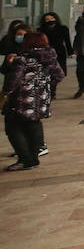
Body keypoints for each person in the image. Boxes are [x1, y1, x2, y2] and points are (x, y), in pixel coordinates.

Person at [4, 32, 64, 171]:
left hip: (22, 98)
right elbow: (59, 75)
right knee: (34, 125)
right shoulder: (50, 58)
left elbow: (13, 80)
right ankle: (34, 157)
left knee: (13, 128)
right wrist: (43, 84)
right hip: (41, 98)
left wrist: (6, 92)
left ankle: (25, 159)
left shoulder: (23, 59)